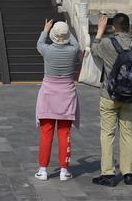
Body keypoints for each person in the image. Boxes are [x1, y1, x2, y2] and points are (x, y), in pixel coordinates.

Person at [91, 13, 132, 187]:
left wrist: (99, 31)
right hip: (129, 95)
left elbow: (94, 50)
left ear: (113, 27)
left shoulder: (107, 43)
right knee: (128, 133)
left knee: (107, 133)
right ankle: (128, 172)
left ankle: (108, 173)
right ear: (129, 26)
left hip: (109, 94)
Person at [34, 19, 82, 181]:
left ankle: (43, 169)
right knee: (64, 134)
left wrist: (46, 29)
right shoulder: (74, 50)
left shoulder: (46, 50)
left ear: (53, 35)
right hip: (67, 96)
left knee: (46, 134)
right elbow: (76, 42)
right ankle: (63, 170)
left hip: (48, 95)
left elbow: (40, 42)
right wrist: (68, 30)